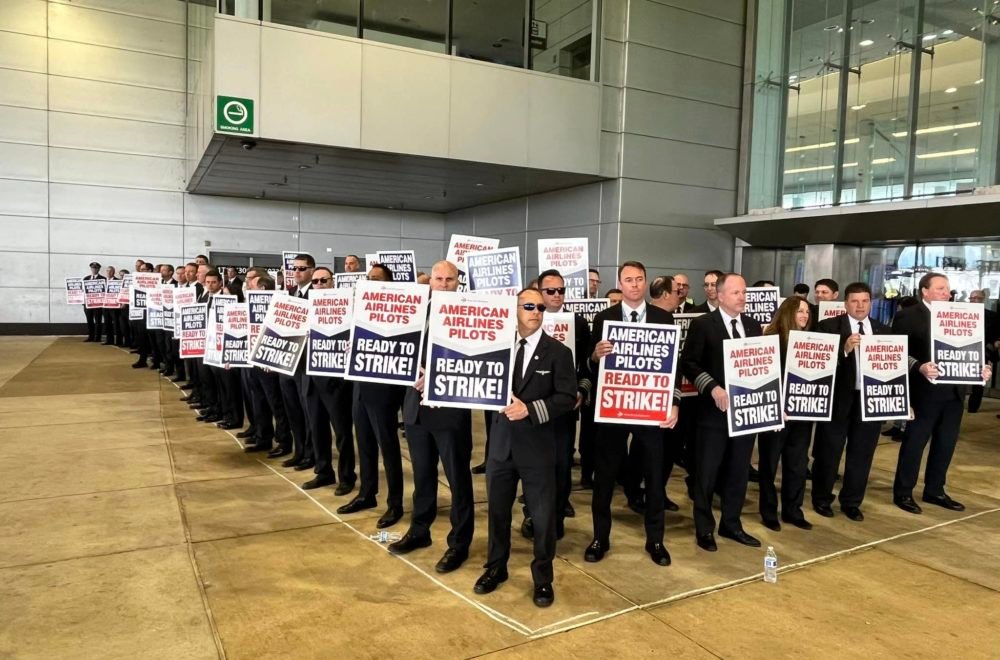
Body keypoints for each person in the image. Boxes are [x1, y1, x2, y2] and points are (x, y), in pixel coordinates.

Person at [473, 287, 576, 608]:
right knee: (498, 514)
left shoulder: (558, 353)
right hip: (501, 448)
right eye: (529, 306)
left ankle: (543, 579)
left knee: (543, 520)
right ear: (514, 309)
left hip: (538, 449)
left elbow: (566, 399)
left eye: (541, 307)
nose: (536, 311)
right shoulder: (496, 346)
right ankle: (496, 567)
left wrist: (530, 410)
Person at [586, 261, 680, 567]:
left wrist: (675, 403)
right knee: (604, 478)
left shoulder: (664, 319)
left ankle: (656, 540)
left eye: (640, 279)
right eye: (629, 280)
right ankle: (600, 537)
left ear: (646, 282)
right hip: (613, 409)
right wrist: (595, 356)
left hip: (650, 411)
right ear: (620, 284)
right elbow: (587, 367)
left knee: (654, 478)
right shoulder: (603, 318)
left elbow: (674, 369)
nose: (635, 284)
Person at [388, 261, 474, 573]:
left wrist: (437, 374)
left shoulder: (469, 314)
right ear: (430, 281)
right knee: (422, 476)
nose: (444, 283)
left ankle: (459, 544)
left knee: (458, 480)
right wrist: (411, 371)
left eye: (450, 279)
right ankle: (419, 531)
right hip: (415, 407)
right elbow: (399, 347)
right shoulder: (416, 309)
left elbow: (476, 359)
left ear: (457, 283)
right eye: (439, 278)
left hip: (451, 409)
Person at [891, 273, 992, 514]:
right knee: (914, 444)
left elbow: (974, 348)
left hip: (954, 394)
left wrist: (982, 367)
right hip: (922, 393)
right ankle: (903, 492)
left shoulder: (960, 315)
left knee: (945, 445)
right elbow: (895, 352)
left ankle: (935, 490)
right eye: (940, 289)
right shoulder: (908, 316)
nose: (947, 293)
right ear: (924, 291)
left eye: (947, 289)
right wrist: (920, 366)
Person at [682, 273, 763, 552]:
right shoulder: (704, 325)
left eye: (744, 292)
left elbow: (763, 367)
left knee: (738, 472)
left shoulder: (753, 326)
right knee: (707, 473)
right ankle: (704, 528)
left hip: (745, 415)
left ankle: (732, 523)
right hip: (712, 415)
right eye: (737, 292)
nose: (743, 297)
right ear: (721, 294)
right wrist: (713, 388)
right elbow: (689, 364)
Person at [521, 269, 593, 539]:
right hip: (529, 411)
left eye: (561, 290)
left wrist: (582, 391)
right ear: (539, 292)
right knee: (531, 465)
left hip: (564, 409)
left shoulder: (579, 323)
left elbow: (586, 367)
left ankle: (558, 513)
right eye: (550, 291)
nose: (556, 296)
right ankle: (531, 513)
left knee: (561, 464)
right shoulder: (524, 320)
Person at [337, 263, 406, 529]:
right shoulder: (359, 310)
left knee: (388, 448)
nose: (370, 282)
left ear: (388, 284)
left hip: (384, 389)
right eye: (368, 278)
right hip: (359, 385)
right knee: (364, 443)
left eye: (376, 279)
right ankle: (367, 494)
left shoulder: (399, 312)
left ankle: (395, 503)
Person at [813, 282, 889, 522]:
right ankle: (822, 499)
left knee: (862, 454)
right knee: (829, 452)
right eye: (855, 301)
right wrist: (843, 350)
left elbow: (892, 369)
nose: (860, 305)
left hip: (869, 403)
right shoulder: (828, 326)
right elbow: (818, 364)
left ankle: (852, 502)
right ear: (845, 304)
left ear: (871, 303)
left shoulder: (883, 330)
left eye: (864, 301)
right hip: (838, 400)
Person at [299, 266, 356, 494]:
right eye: (316, 282)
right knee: (317, 429)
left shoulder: (347, 307)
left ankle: (347, 476)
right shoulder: (304, 308)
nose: (320, 285)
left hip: (335, 382)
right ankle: (324, 472)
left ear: (333, 282)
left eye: (324, 280)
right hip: (310, 380)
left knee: (342, 433)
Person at [757, 297, 813, 531]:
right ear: (788, 312)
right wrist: (776, 404)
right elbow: (763, 378)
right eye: (800, 311)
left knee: (797, 464)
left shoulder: (811, 341)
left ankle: (793, 510)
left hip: (802, 414)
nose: (805, 315)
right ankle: (769, 511)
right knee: (769, 464)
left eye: (807, 312)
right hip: (775, 413)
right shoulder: (771, 339)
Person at [278, 254, 316, 471]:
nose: (297, 272)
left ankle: (311, 453)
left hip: (306, 363)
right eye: (294, 268)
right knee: (292, 409)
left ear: (311, 270)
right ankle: (299, 450)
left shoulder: (318, 294)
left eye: (302, 268)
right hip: (288, 360)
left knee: (307, 410)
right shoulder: (290, 293)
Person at [967, 289, 999, 413]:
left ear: (983, 300)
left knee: (979, 380)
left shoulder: (993, 316)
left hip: (984, 351)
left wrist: (994, 345)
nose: (974, 300)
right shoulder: (961, 313)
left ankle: (973, 407)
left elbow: (997, 335)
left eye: (977, 298)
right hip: (964, 350)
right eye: (972, 298)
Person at [83, 262, 106, 342]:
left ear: (99, 269)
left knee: (98, 321)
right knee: (89, 321)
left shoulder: (103, 279)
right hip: (88, 304)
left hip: (98, 305)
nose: (94, 269)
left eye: (96, 268)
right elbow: (82, 291)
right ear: (91, 269)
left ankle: (98, 337)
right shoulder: (85, 279)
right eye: (93, 268)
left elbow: (106, 292)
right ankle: (91, 336)